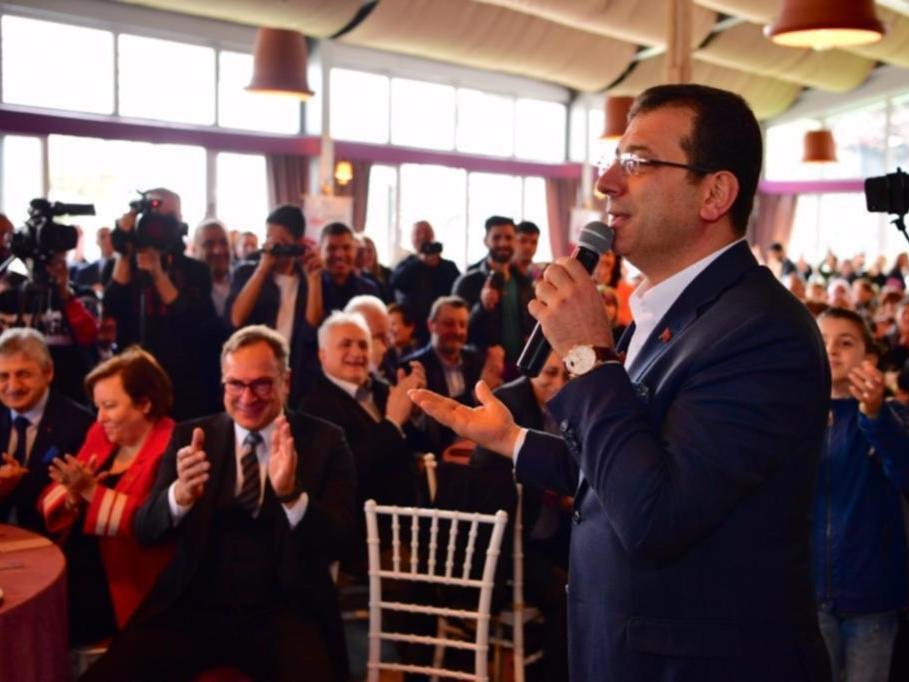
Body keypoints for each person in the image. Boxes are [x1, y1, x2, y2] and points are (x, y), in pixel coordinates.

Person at [411, 84, 831, 681]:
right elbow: (623, 464)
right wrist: (512, 440)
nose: (607, 182)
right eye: (612, 161)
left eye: (637, 162)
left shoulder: (762, 332)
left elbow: (656, 513)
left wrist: (587, 354)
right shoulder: (672, 310)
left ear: (715, 193)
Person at [84, 325, 356, 682]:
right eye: (235, 384)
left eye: (261, 384)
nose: (247, 397)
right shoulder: (191, 436)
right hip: (194, 609)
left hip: (287, 611)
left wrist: (292, 495)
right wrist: (179, 496)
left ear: (286, 381)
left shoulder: (325, 441)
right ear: (223, 383)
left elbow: (343, 542)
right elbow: (145, 529)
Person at [39, 348, 176, 644]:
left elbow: (148, 523)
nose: (100, 418)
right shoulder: (101, 433)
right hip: (76, 570)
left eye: (110, 406)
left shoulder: (172, 445)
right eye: (97, 406)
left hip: (131, 586)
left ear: (145, 404)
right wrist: (74, 497)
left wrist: (89, 490)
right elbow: (51, 496)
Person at [814, 308, 909, 682]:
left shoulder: (890, 416)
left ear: (869, 358)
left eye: (845, 342)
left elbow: (903, 472)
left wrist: (874, 416)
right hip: (809, 593)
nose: (831, 350)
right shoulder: (798, 415)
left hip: (872, 595)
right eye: (822, 341)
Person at [300, 312, 425, 571]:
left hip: (411, 520)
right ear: (323, 355)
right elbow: (349, 468)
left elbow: (417, 447)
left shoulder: (381, 388)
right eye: (346, 344)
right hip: (366, 532)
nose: (357, 352)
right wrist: (392, 422)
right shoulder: (314, 406)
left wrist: (415, 411)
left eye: (363, 344)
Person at [103, 187, 220, 420]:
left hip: (183, 381)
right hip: (133, 375)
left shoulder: (195, 270)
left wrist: (157, 273)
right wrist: (125, 250)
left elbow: (191, 319)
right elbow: (113, 307)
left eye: (171, 217)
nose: (161, 225)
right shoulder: (123, 266)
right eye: (155, 217)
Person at [0, 328, 94, 533]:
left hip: (54, 538)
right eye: (3, 376)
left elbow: (79, 504)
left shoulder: (81, 424)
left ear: (48, 372)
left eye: (24, 374)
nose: (13, 386)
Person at [227, 205, 324, 403]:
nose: (275, 248)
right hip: (252, 368)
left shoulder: (305, 279)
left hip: (293, 371)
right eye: (269, 239)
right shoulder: (247, 272)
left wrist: (315, 280)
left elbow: (312, 326)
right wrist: (262, 269)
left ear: (298, 243)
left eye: (282, 243)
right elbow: (236, 319)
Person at [453, 215, 535, 369]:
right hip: (481, 366)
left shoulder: (524, 282)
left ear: (515, 241)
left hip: (520, 365)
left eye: (508, 238)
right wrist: (482, 306)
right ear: (486, 240)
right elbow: (456, 331)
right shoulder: (467, 282)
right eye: (496, 237)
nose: (503, 243)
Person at [390, 220, 460, 346]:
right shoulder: (406, 264)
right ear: (411, 239)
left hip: (442, 325)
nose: (423, 236)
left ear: (433, 236)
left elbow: (457, 291)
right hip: (413, 329)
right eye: (418, 233)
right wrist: (419, 261)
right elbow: (396, 282)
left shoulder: (448, 266)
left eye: (426, 232)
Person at [319, 222, 380, 314]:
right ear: (320, 251)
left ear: (355, 250)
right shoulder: (310, 288)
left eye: (346, 248)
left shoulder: (368, 290)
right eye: (331, 248)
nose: (339, 255)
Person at [192, 219, 232, 319]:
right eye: (209, 244)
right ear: (195, 250)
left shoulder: (244, 283)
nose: (218, 251)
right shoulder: (188, 289)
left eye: (224, 243)